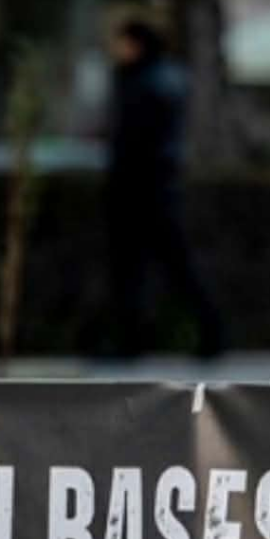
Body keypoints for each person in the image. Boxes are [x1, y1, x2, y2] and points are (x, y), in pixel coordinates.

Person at [104, 18, 223, 358]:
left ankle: (135, 339)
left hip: (142, 186)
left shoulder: (144, 83)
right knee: (165, 266)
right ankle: (204, 332)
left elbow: (134, 140)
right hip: (156, 186)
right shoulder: (166, 79)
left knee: (142, 268)